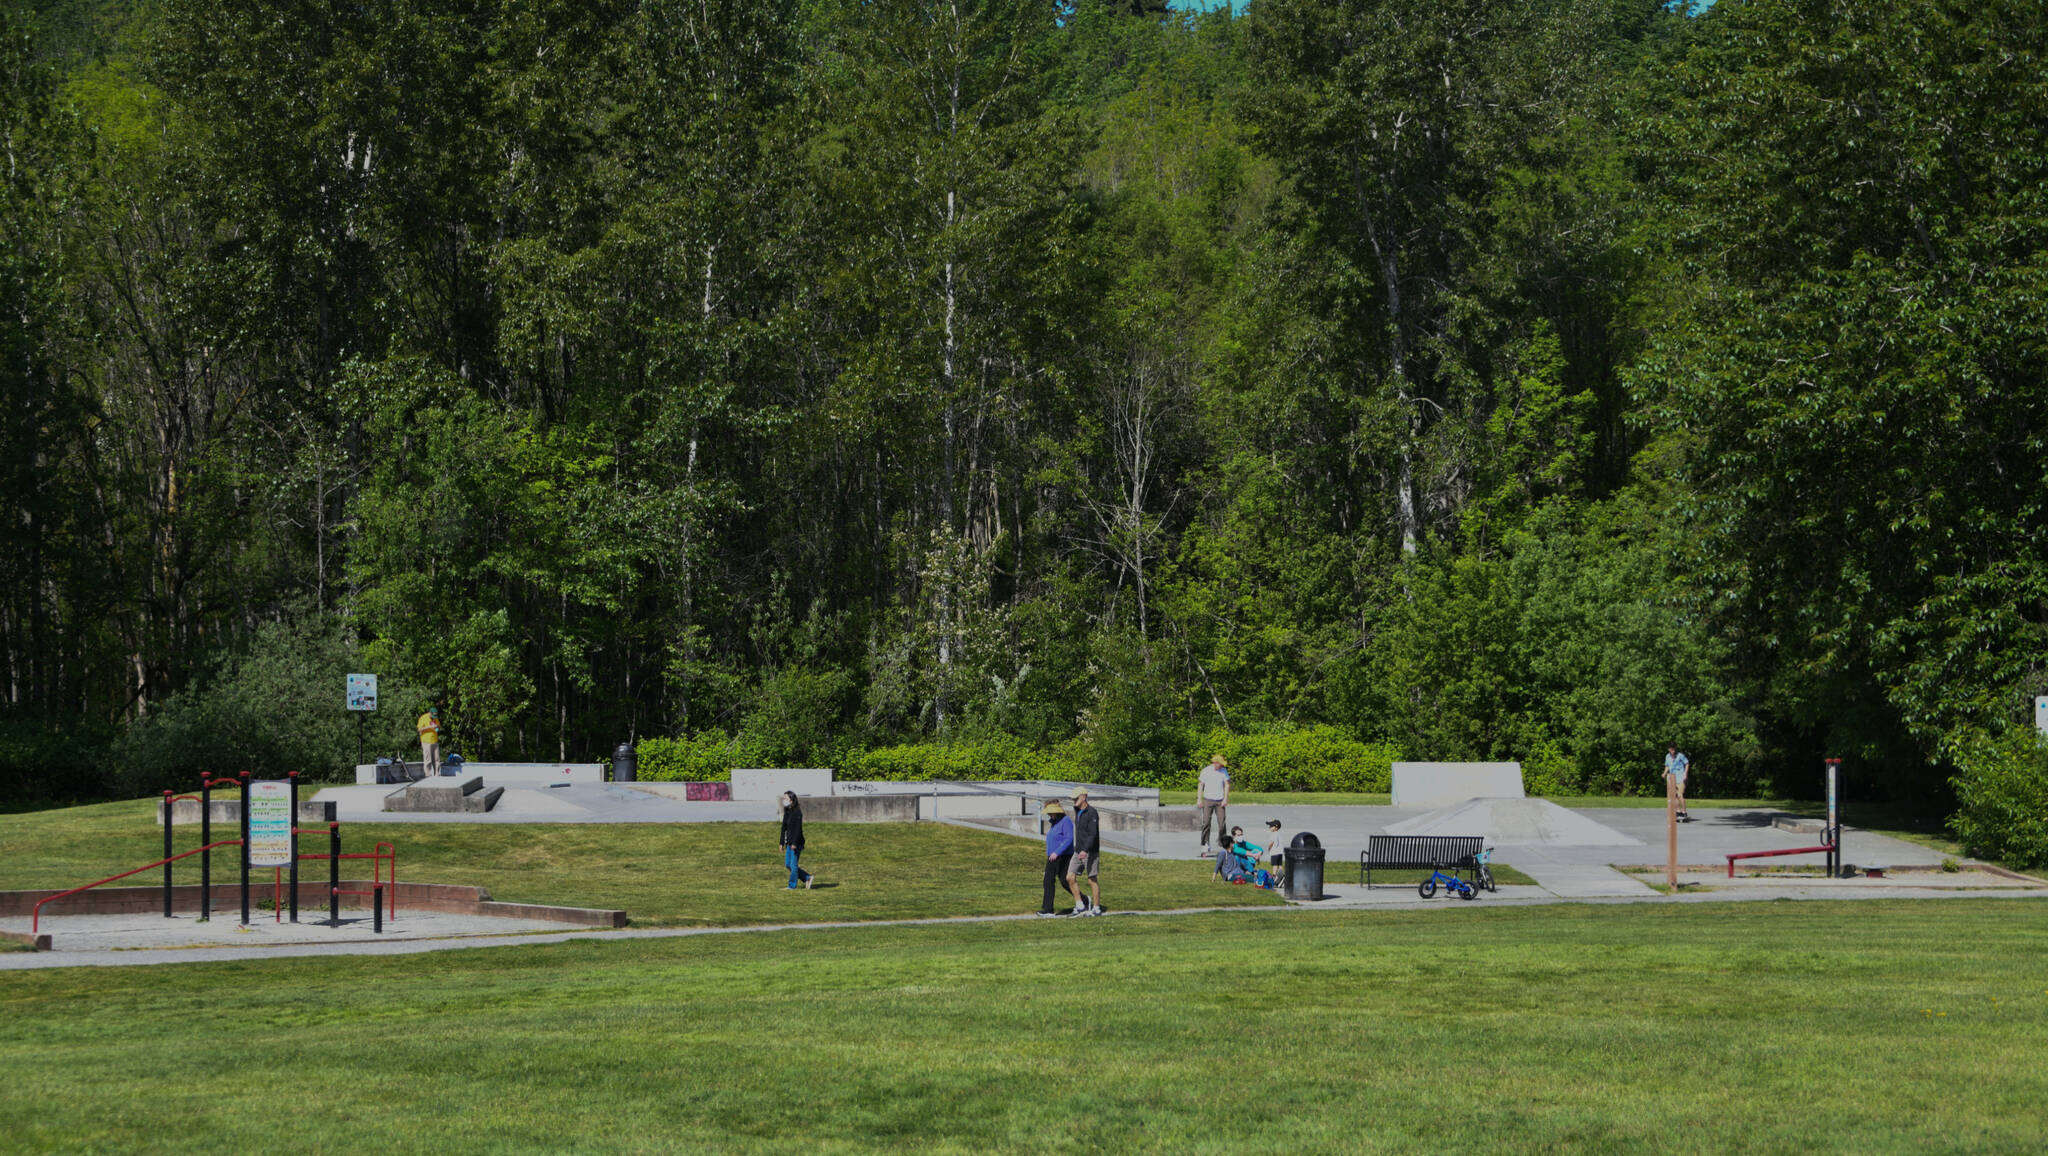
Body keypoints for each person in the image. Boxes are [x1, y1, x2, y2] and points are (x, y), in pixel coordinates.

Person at [1066, 788, 1102, 916]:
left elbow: (1093, 834)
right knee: (1069, 877)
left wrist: (1085, 850)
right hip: (1078, 851)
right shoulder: (1077, 810)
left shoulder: (1092, 813)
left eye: (1076, 798)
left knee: (1092, 879)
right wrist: (1079, 850)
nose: (1073, 800)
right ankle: (1080, 905)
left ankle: (1096, 908)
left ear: (1084, 797)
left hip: (1090, 851)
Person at [1039, 800, 1077, 916]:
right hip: (1053, 856)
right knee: (1058, 881)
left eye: (1051, 813)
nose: (1049, 815)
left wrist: (1057, 852)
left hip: (1062, 856)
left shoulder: (1065, 821)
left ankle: (1048, 909)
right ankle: (1084, 901)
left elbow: (1069, 839)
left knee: (1054, 881)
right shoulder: (1055, 822)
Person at [1196, 754, 1231, 857]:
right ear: (1215, 763)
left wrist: (1225, 798)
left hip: (1220, 800)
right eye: (1220, 764)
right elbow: (1200, 784)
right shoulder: (1206, 771)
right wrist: (1199, 799)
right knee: (1206, 823)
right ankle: (1205, 845)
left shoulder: (1223, 771)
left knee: (1222, 823)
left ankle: (1222, 843)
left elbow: (1227, 784)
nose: (1221, 766)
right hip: (1208, 800)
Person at [779, 790, 815, 889]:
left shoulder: (797, 812)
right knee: (788, 864)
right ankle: (807, 877)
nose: (784, 800)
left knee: (793, 865)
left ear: (791, 800)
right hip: (789, 842)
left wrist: (794, 843)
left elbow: (798, 830)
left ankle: (792, 886)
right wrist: (781, 843)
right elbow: (784, 828)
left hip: (796, 843)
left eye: (786, 798)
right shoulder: (787, 811)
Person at [1664, 745, 1691, 822]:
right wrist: (1664, 773)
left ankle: (1684, 812)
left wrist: (1685, 773)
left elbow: (1687, 764)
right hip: (1672, 779)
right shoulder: (1667, 757)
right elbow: (1667, 766)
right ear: (1669, 749)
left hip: (1681, 778)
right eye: (1671, 749)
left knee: (1680, 795)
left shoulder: (1680, 755)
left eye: (1674, 749)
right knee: (1674, 796)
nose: (1673, 750)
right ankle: (1678, 812)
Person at [416, 706, 443, 776]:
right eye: (433, 716)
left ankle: (437, 774)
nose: (434, 717)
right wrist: (429, 727)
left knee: (437, 759)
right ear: (430, 713)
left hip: (435, 740)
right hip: (426, 741)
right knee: (428, 759)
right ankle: (428, 774)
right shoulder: (423, 718)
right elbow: (419, 729)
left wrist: (437, 727)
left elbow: (439, 727)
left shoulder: (435, 718)